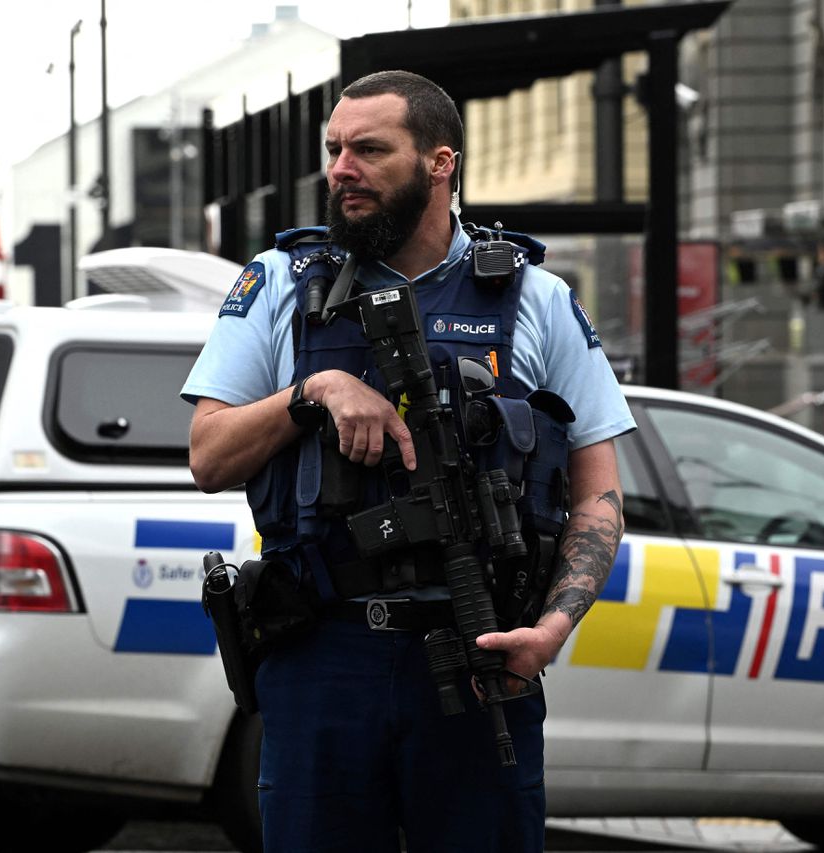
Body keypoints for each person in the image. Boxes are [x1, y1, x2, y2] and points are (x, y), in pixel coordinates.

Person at [183, 70, 635, 853]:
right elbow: (209, 454)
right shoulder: (282, 283)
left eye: (368, 149)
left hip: (477, 655)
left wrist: (552, 630)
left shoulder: (535, 298)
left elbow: (599, 495)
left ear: (439, 163)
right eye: (333, 150)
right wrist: (315, 390)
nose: (340, 170)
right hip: (323, 655)